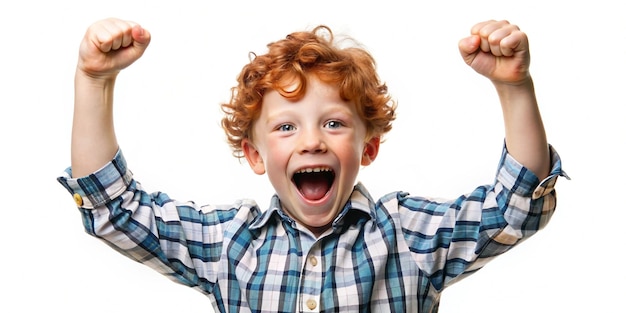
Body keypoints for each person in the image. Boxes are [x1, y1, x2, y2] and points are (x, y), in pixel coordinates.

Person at [58, 17, 567, 312]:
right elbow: (117, 211)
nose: (311, 142)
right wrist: (94, 81)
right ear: (256, 156)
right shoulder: (231, 245)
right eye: (285, 127)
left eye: (334, 123)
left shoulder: (408, 236)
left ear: (368, 148)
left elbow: (516, 207)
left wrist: (514, 87)